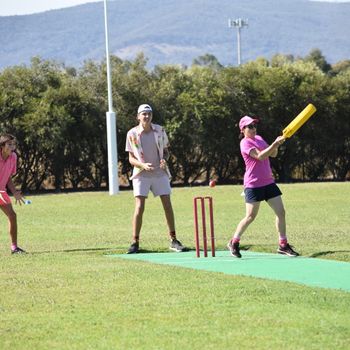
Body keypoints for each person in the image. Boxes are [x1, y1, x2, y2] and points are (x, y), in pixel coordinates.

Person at [227, 116, 299, 258]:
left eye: (254, 125)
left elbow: (273, 154)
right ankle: (234, 242)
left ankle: (283, 245)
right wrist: (274, 144)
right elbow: (260, 156)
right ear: (243, 130)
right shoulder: (244, 143)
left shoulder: (259, 138)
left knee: (281, 212)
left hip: (268, 182)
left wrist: (277, 144)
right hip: (253, 184)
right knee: (250, 216)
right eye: (250, 126)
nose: (253, 128)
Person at [125, 104, 186, 254]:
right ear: (138, 116)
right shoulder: (132, 134)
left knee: (167, 204)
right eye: (144, 114)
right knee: (139, 206)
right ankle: (135, 242)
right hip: (141, 174)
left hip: (160, 173)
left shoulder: (160, 130)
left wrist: (164, 159)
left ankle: (173, 240)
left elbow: (165, 152)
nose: (146, 116)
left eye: (149, 114)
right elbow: (131, 159)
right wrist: (142, 165)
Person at [0, 134, 26, 254]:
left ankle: (14, 248)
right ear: (2, 146)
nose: (12, 147)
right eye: (9, 144)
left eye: (13, 144)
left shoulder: (13, 157)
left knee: (12, 216)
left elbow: (8, 177)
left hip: (1, 191)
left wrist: (14, 192)